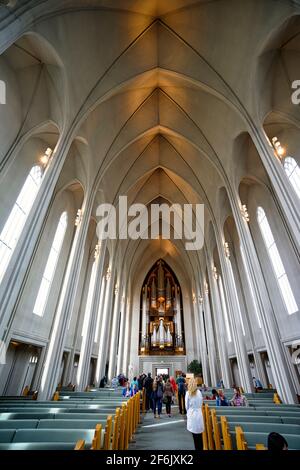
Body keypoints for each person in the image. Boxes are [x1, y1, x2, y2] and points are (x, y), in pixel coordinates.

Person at [185, 377, 204, 450]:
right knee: (199, 436)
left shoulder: (188, 393)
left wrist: (188, 413)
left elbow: (187, 406)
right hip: (199, 413)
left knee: (195, 437)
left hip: (192, 414)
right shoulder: (199, 392)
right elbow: (201, 403)